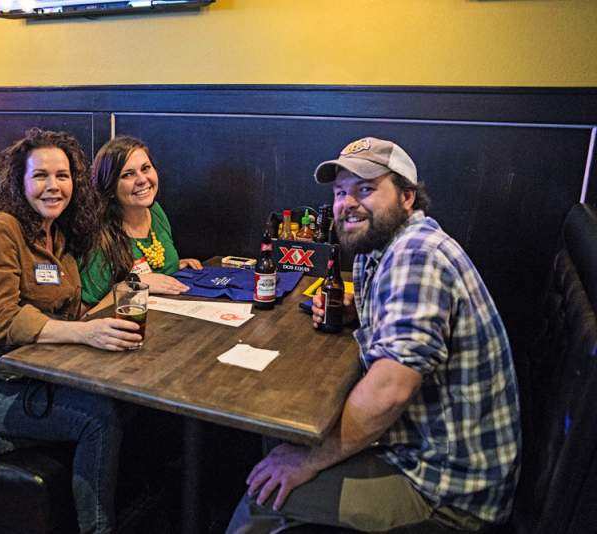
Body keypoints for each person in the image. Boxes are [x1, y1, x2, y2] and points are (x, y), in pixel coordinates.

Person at [227, 137, 521, 533]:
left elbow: (389, 391)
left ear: (406, 197)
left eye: (366, 189)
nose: (348, 203)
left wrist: (310, 461)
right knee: (277, 447)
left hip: (445, 491)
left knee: (262, 496)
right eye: (340, 192)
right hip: (420, 450)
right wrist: (359, 312)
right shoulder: (380, 247)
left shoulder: (416, 255)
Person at [0, 128, 143, 534]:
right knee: (98, 419)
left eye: (62, 176)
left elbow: (68, 310)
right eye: (41, 176)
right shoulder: (0, 230)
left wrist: (113, 303)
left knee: (127, 398)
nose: (53, 187)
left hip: (29, 373)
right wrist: (86, 333)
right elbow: (0, 321)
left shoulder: (57, 234)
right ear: (20, 182)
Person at [79, 136, 202, 306]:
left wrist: (173, 266)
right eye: (128, 174)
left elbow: (152, 267)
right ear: (110, 187)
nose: (142, 180)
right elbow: (86, 316)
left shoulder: (155, 211)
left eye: (146, 168)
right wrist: (134, 284)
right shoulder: (98, 236)